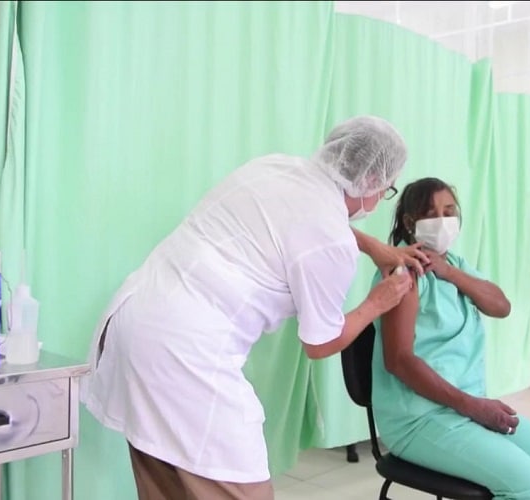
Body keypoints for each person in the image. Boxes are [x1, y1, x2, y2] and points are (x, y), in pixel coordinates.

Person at [80, 115, 429, 500]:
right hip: (186, 353)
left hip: (135, 319)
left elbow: (302, 220)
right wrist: (378, 302)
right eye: (386, 188)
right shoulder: (331, 241)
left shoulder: (276, 167)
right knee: (246, 489)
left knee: (165, 485)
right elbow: (320, 343)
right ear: (370, 180)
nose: (381, 198)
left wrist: (374, 247)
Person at [370, 177, 530, 500]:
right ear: (409, 222)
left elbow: (501, 306)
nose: (442, 220)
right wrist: (473, 407)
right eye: (431, 213)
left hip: (464, 409)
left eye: (449, 211)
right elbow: (398, 360)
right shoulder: (403, 273)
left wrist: (449, 273)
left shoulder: (454, 264)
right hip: (418, 418)